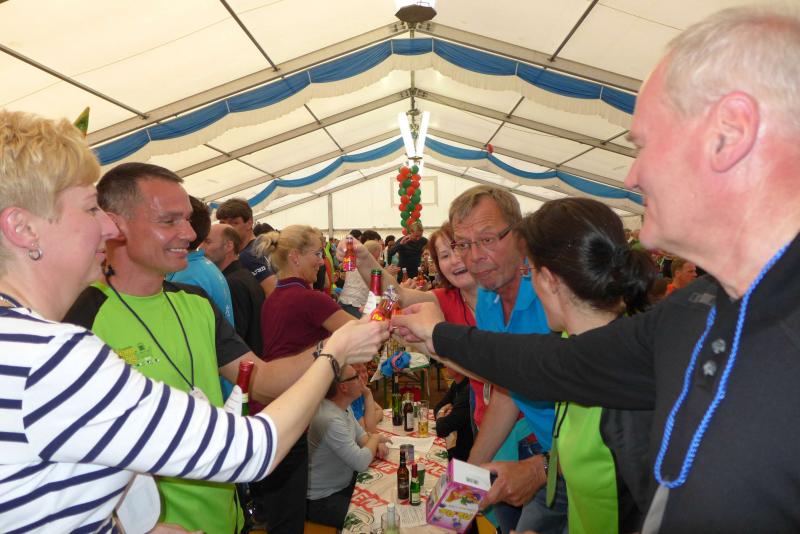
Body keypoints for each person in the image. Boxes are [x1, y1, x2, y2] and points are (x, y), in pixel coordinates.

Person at [392, 6, 800, 532]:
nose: (631, 176)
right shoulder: (692, 312)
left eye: (644, 145)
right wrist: (438, 335)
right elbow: (555, 365)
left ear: (731, 132)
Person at [0, 110, 388, 533]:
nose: (106, 227)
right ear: (23, 227)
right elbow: (250, 450)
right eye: (91, 209)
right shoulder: (55, 352)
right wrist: (334, 353)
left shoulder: (191, 302)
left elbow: (42, 499)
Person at [251, 225, 356, 534]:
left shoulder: (275, 297)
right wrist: (387, 304)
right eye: (317, 254)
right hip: (288, 411)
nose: (323, 261)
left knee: (280, 511)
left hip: (270, 408)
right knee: (288, 516)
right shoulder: (310, 299)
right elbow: (359, 334)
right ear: (295, 257)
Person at [307, 364, 391, 528]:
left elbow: (361, 437)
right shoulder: (330, 419)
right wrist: (375, 439)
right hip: (323, 499)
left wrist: (372, 442)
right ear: (344, 387)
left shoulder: (342, 407)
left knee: (385, 495)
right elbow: (361, 462)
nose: (362, 380)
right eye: (356, 376)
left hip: (342, 484)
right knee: (377, 522)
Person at [201, 223, 265, 353]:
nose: (201, 248)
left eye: (207, 242)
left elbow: (234, 335)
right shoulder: (242, 276)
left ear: (228, 246)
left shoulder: (231, 283)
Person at [215, 198, 277, 297]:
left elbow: (273, 292)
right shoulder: (260, 246)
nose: (227, 228)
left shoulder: (248, 256)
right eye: (222, 223)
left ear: (249, 223)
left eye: (233, 223)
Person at [434, 367, 474, 462]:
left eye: (449, 362)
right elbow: (437, 407)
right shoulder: (457, 384)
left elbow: (442, 429)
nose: (445, 365)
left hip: (467, 457)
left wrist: (441, 413)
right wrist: (443, 411)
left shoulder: (468, 390)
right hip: (459, 447)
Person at [338, 239, 383, 318]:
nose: (379, 257)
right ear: (373, 253)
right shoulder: (370, 265)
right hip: (356, 305)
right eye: (378, 254)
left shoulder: (353, 260)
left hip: (344, 301)